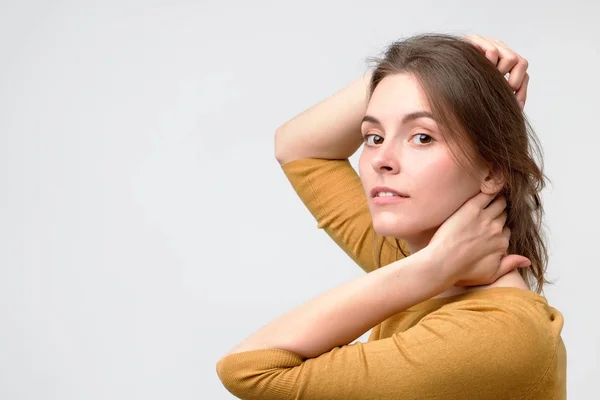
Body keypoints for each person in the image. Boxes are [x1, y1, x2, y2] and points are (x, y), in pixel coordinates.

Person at [216, 33, 566, 399]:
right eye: (374, 137)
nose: (382, 159)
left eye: (422, 137)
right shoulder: (419, 260)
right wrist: (434, 64)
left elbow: (248, 368)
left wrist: (430, 269)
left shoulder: (495, 333)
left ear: (493, 171)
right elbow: (298, 145)